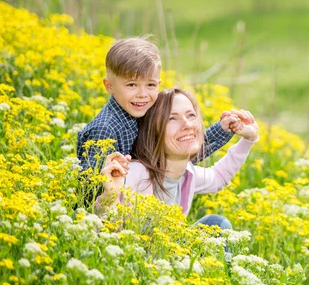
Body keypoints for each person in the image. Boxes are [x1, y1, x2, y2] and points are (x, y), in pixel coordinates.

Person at [99, 88, 259, 232]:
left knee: (217, 224)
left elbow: (219, 177)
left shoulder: (187, 174)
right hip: (134, 259)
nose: (187, 124)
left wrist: (248, 139)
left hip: (168, 257)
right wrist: (109, 198)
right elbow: (101, 233)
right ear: (153, 133)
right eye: (172, 119)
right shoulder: (134, 174)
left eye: (191, 115)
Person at [76, 37, 236, 172]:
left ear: (159, 84)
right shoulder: (104, 130)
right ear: (109, 86)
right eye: (131, 85)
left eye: (150, 85)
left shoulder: (148, 111)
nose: (142, 94)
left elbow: (176, 155)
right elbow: (89, 191)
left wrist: (223, 129)